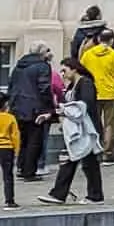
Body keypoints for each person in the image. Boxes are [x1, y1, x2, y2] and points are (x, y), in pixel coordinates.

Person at [43, 57, 105, 205]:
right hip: (78, 129)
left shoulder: (85, 84)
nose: (62, 74)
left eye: (65, 70)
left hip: (87, 129)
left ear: (74, 69)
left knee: (81, 161)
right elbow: (67, 106)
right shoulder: (72, 86)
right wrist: (52, 114)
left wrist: (65, 111)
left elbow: (84, 106)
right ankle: (91, 195)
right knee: (80, 161)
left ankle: (63, 194)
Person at [5, 41, 56, 183]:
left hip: (17, 107)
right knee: (35, 140)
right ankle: (29, 171)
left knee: (23, 139)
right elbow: (44, 88)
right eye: (47, 50)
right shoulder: (43, 66)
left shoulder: (19, 66)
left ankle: (21, 167)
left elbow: (11, 86)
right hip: (35, 108)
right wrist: (50, 108)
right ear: (42, 52)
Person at [77, 31, 114, 142]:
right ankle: (108, 152)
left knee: (93, 123)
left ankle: (95, 148)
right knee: (109, 125)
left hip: (92, 93)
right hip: (111, 94)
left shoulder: (88, 55)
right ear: (111, 41)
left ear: (99, 39)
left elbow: (80, 72)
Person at [0, 101, 17, 208]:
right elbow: (15, 135)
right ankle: (9, 200)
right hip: (7, 148)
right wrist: (16, 150)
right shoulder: (10, 118)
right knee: (8, 175)